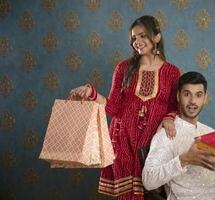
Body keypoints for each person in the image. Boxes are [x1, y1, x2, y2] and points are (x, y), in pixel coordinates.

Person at [69, 15, 180, 199]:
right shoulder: (123, 68)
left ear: (157, 37)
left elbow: (174, 106)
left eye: (143, 36)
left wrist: (169, 118)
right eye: (134, 38)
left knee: (153, 194)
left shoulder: (172, 72)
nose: (137, 42)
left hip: (152, 146)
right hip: (122, 141)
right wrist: (91, 93)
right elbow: (112, 108)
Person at [142, 72, 215, 200]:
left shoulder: (211, 133)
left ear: (205, 98)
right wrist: (184, 159)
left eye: (198, 95)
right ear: (178, 96)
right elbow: (148, 180)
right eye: (187, 94)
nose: (192, 101)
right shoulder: (167, 133)